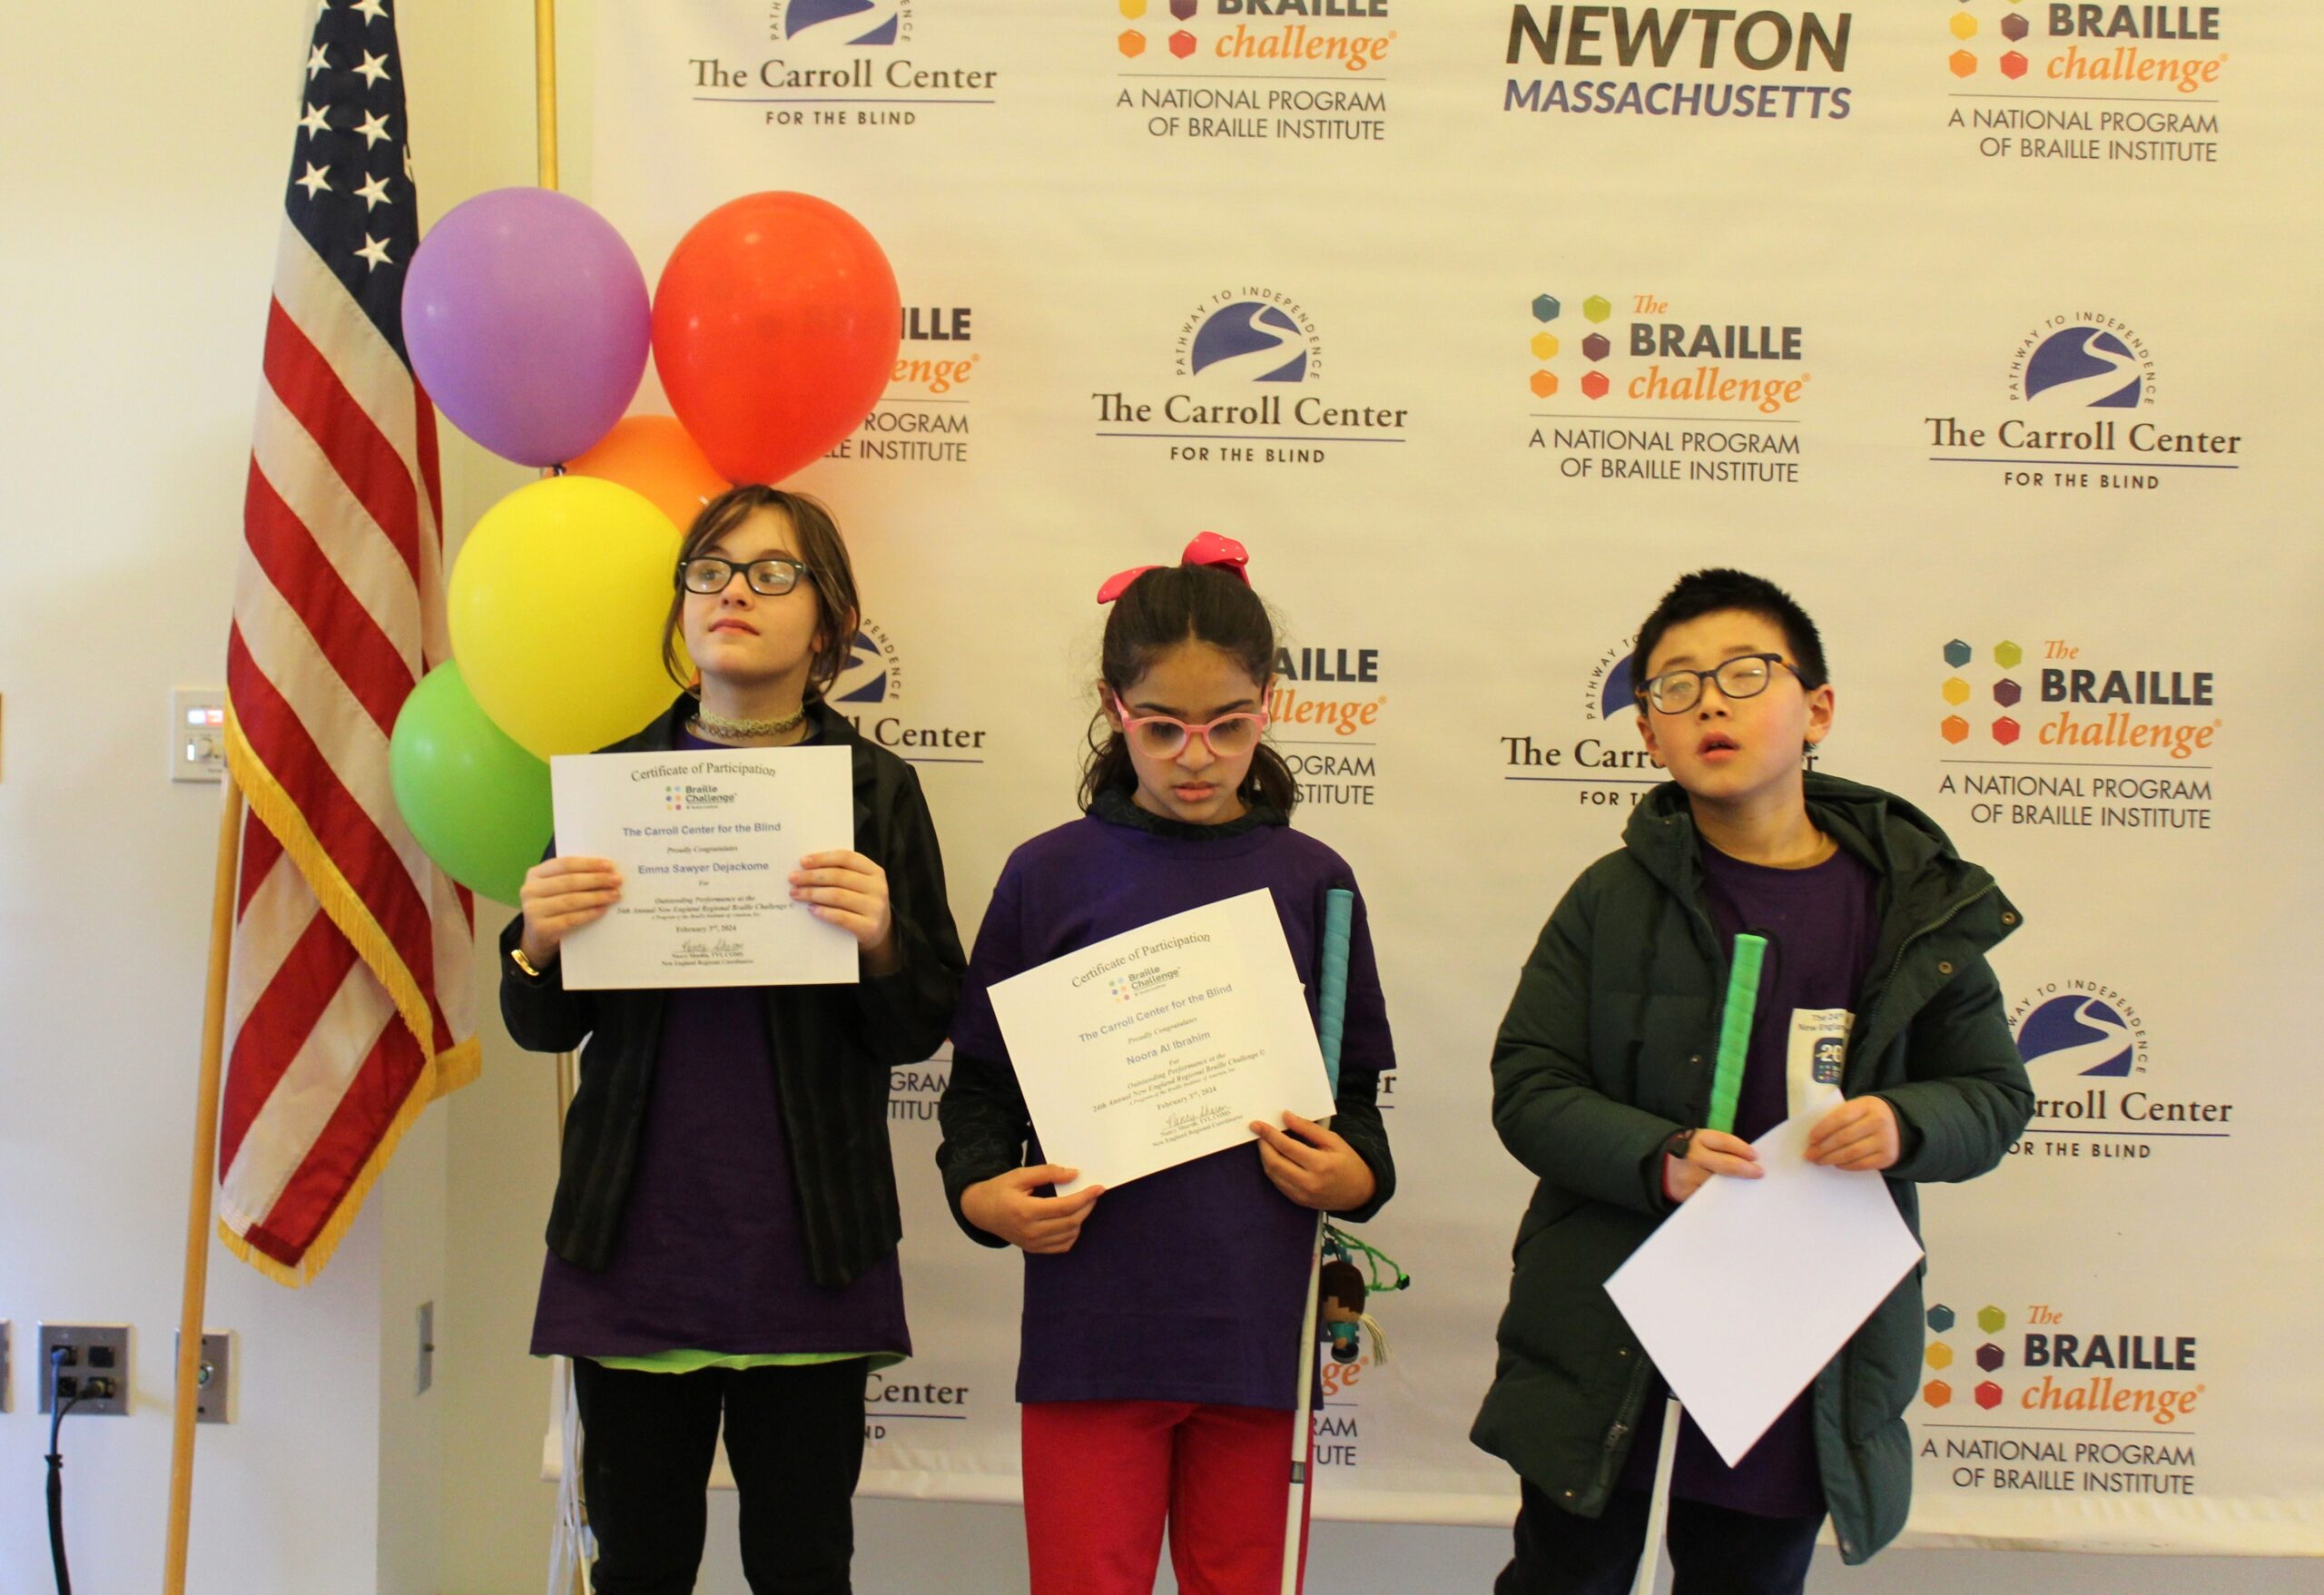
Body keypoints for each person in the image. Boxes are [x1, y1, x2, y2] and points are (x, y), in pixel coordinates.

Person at [1472, 568, 2034, 1594]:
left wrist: (1905, 1123)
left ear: (1817, 706)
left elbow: (1994, 1095)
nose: (1709, 703)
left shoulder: (1910, 908)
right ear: (1645, 731)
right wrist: (1656, 1155)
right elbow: (1529, 1083)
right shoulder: (1609, 898)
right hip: (1609, 1332)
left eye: (1742, 672)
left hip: (1796, 1342)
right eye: (1672, 687)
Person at [500, 484, 966, 1595]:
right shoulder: (610, 784)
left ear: (831, 621)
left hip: (808, 1245)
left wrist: (885, 939)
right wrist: (537, 942)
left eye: (770, 572)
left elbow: (921, 1024)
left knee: (804, 1564)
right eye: (708, 570)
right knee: (639, 1564)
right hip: (634, 1247)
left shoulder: (876, 790)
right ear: (680, 608)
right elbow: (540, 1022)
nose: (732, 594)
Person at [936, 534, 1398, 1595]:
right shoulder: (1047, 875)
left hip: (1255, 1329)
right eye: (1164, 727)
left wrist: (1355, 1175)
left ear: (1269, 706)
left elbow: (1358, 1105)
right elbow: (980, 1085)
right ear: (1113, 708)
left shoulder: (1313, 880)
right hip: (1092, 1328)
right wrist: (981, 1191)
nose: (1197, 754)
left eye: (1228, 725)